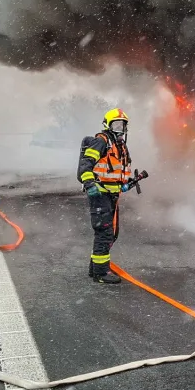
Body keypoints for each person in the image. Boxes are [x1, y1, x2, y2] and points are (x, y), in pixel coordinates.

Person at [77, 108, 134, 284]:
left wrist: (126, 184)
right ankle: (101, 274)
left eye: (122, 125)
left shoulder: (120, 147)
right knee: (104, 232)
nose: (120, 129)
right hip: (99, 194)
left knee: (112, 233)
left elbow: (116, 173)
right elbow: (85, 166)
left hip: (112, 195)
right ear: (107, 125)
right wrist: (89, 184)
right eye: (116, 124)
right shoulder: (101, 142)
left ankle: (95, 268)